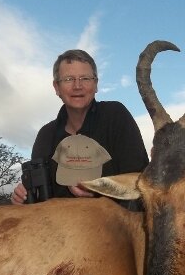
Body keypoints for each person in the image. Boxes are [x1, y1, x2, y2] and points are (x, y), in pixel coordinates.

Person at [11, 49, 149, 205]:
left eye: (85, 78)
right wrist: (23, 198)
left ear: (95, 84)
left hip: (113, 224)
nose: (78, 86)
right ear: (57, 87)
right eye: (69, 79)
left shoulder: (116, 116)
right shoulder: (45, 135)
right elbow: (38, 201)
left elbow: (140, 180)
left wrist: (98, 191)